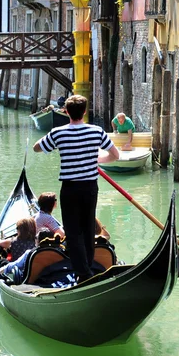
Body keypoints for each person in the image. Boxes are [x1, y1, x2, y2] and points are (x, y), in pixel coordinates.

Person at [33, 94, 120, 284]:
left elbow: (36, 148)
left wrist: (52, 142)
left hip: (70, 188)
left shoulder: (59, 133)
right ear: (84, 111)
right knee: (88, 228)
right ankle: (87, 268)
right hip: (90, 187)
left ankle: (84, 273)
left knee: (73, 232)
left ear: (66, 111)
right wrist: (98, 160)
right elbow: (115, 155)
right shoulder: (96, 131)